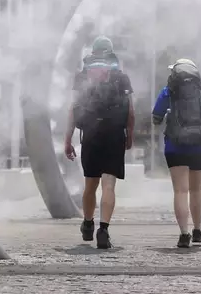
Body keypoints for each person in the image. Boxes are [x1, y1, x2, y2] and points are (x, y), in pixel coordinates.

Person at [64, 36, 134, 249]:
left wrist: (68, 139)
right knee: (108, 185)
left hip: (91, 134)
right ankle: (103, 229)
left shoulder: (82, 76)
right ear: (111, 52)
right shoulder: (121, 78)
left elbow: (73, 109)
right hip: (114, 134)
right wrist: (129, 135)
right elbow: (130, 111)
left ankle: (87, 222)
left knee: (90, 184)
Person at [152, 58, 201, 248]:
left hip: (175, 146)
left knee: (180, 190)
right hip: (199, 146)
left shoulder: (166, 92)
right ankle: (197, 230)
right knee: (196, 190)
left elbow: (155, 118)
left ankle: (184, 234)